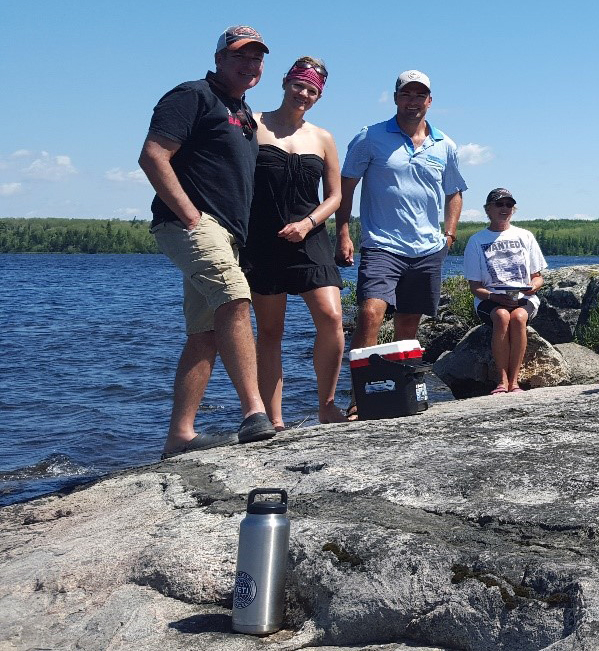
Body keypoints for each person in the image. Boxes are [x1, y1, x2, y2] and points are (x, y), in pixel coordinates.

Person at [138, 25, 276, 458]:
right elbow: (152, 155)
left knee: (205, 333)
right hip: (194, 225)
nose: (249, 64)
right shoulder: (192, 95)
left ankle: (180, 436)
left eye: (256, 58)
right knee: (236, 299)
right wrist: (191, 216)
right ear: (219, 59)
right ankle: (255, 413)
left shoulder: (244, 113)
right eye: (240, 56)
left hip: (228, 233)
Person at [243, 56, 346, 425]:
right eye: (299, 85)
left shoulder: (323, 138)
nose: (304, 94)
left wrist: (307, 224)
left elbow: (334, 196)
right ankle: (274, 419)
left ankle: (327, 405)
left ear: (319, 96)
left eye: (312, 90)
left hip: (310, 237)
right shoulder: (252, 124)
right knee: (271, 331)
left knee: (332, 318)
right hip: (262, 240)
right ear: (285, 82)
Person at [336, 70, 467, 359]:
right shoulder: (369, 137)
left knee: (408, 324)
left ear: (430, 101)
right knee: (371, 313)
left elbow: (454, 191)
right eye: (406, 94)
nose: (413, 100)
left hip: (428, 249)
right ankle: (360, 399)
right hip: (382, 245)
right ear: (395, 98)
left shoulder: (445, 145)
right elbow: (346, 186)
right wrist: (343, 232)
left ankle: (399, 393)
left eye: (420, 94)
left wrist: (449, 235)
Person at [463, 188, 547, 394]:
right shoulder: (476, 241)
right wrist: (494, 296)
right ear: (488, 209)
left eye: (509, 205)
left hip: (523, 297)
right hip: (490, 298)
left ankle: (514, 382)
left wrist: (532, 288)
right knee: (501, 316)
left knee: (518, 317)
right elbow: (475, 287)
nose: (504, 209)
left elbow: (538, 276)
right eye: (499, 204)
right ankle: (501, 381)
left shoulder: (525, 236)